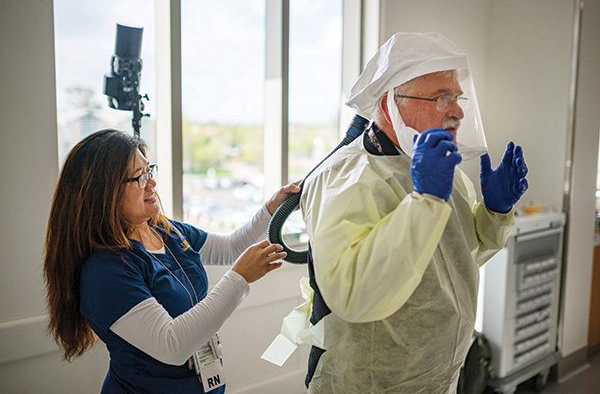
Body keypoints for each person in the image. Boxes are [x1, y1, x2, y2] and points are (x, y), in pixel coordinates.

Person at [300, 32, 528, 393]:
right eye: (441, 98)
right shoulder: (346, 178)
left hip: (438, 374)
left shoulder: (438, 172)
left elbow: (452, 263)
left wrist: (493, 212)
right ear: (390, 103)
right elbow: (354, 294)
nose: (458, 111)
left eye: (456, 97)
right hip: (371, 381)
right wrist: (424, 203)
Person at [43, 129, 300, 394]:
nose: (151, 184)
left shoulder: (167, 231)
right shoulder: (106, 270)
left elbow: (230, 247)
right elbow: (172, 344)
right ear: (104, 193)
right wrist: (238, 278)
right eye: (139, 178)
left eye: (149, 171)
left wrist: (273, 208)